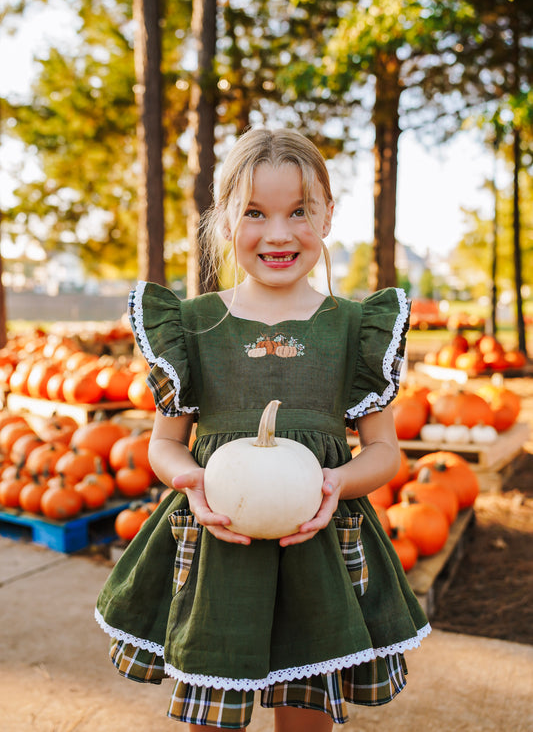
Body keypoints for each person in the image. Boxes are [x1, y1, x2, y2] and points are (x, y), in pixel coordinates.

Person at [95, 127, 430, 731]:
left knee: (305, 715)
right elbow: (164, 444)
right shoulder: (192, 326)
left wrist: (338, 482)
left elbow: (384, 451)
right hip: (218, 548)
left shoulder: (355, 328)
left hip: (319, 552)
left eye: (299, 211)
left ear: (327, 216)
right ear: (225, 220)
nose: (278, 233)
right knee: (212, 712)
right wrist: (192, 480)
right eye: (255, 212)